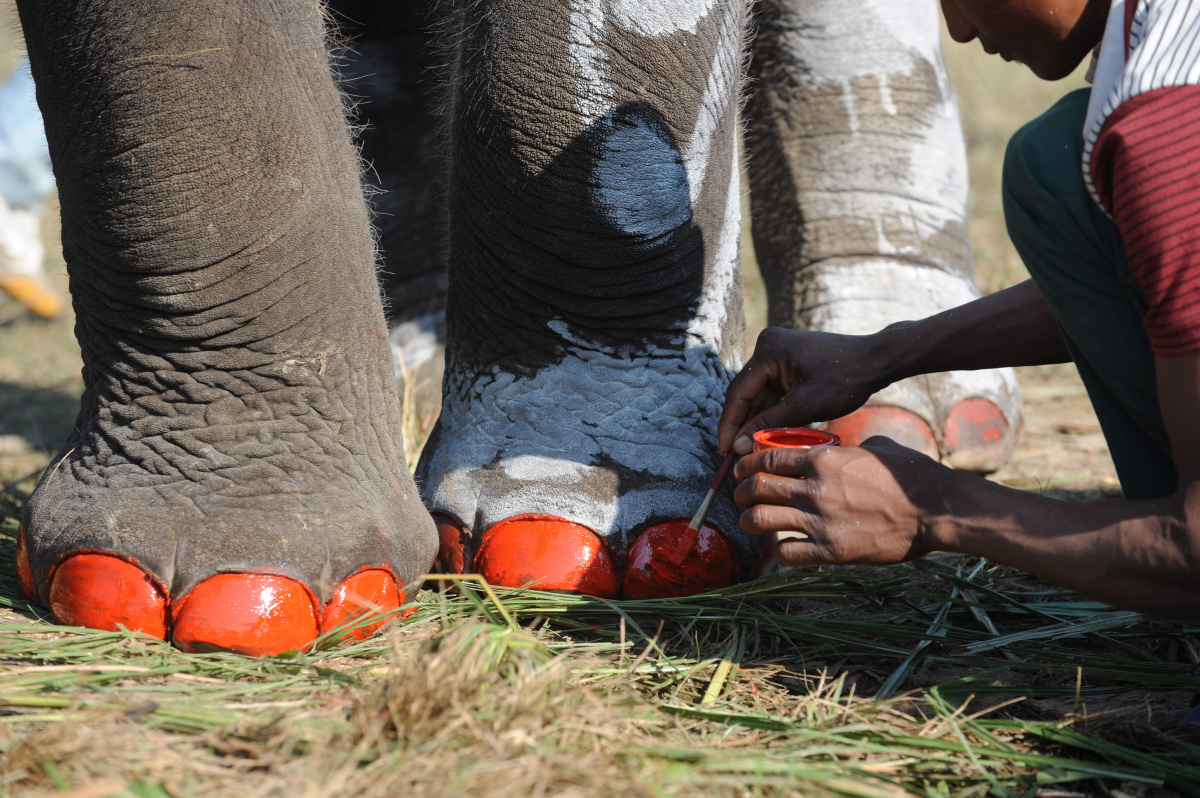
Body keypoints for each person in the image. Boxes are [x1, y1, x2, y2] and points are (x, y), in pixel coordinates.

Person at [718, 0, 1200, 622]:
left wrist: (934, 507)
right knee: (1055, 164)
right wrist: (881, 354)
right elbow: (1162, 288)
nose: (959, 29)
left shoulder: (1167, 124)